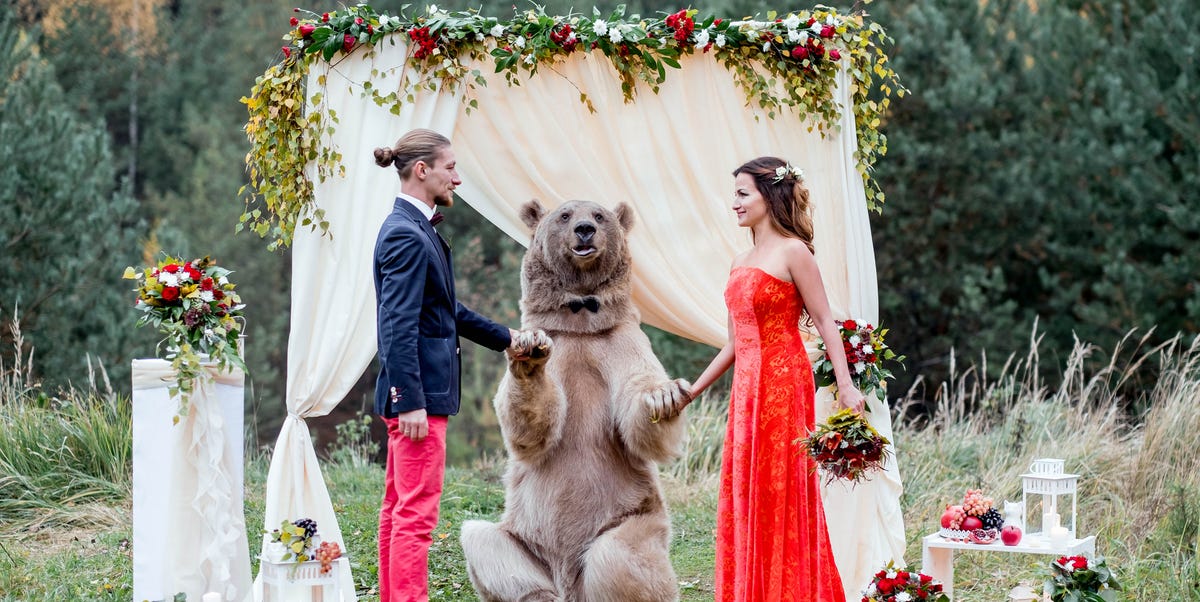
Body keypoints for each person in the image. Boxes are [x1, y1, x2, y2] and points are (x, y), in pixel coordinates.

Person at [688, 156, 866, 602]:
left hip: (785, 385)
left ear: (769, 196)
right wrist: (691, 391)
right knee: (748, 492)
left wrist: (846, 386)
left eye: (743, 193)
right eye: (736, 194)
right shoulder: (738, 261)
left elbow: (826, 322)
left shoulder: (793, 252)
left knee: (782, 490)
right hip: (746, 393)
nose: (735, 203)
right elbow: (732, 345)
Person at [371, 128, 515, 602]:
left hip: (417, 397)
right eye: (450, 167)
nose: (457, 177)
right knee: (415, 515)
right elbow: (397, 324)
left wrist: (508, 339)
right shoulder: (405, 234)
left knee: (399, 508)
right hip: (418, 400)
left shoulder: (415, 229)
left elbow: (445, 312)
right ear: (422, 170)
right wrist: (409, 401)